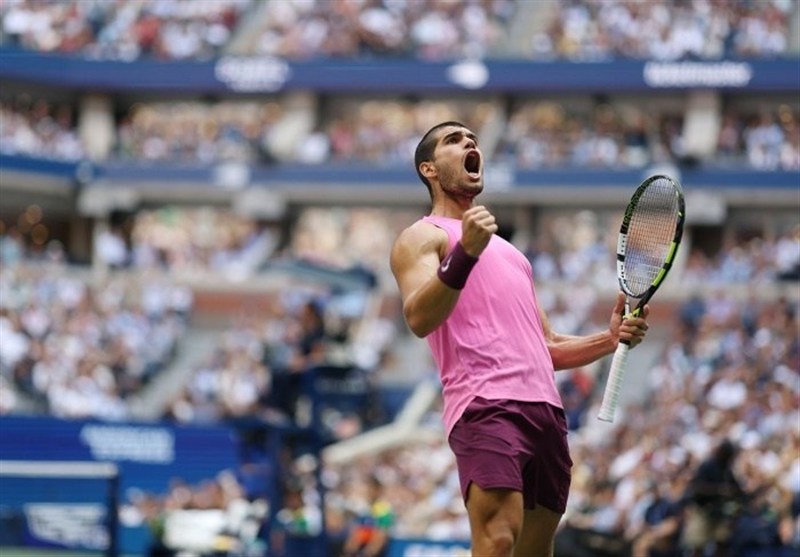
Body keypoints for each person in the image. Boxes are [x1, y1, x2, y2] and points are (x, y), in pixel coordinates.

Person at [389, 121, 651, 557]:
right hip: (486, 404)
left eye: (472, 139)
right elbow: (418, 317)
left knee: (535, 551)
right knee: (497, 539)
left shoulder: (512, 255)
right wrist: (464, 255)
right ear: (428, 169)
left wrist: (608, 340)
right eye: (454, 140)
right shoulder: (422, 236)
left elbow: (545, 346)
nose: (469, 142)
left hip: (546, 412)